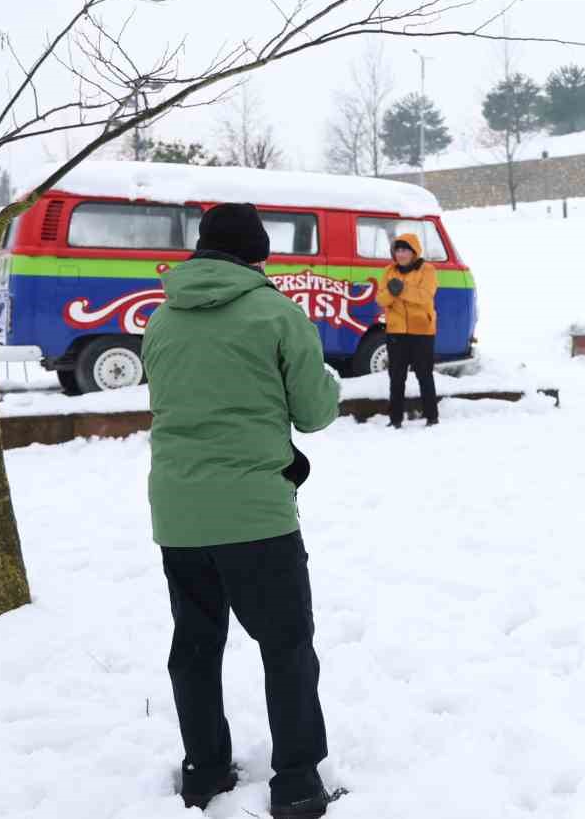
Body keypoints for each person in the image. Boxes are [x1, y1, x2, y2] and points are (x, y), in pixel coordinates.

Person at [142, 202, 342, 818]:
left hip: (178, 512)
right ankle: (298, 781)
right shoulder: (277, 314)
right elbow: (315, 411)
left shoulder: (162, 319)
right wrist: (324, 377)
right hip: (255, 515)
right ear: (259, 255)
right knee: (285, 644)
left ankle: (203, 772)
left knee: (196, 643)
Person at [376, 233, 440, 428]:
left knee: (424, 375)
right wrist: (392, 292)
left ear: (414, 252)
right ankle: (395, 419)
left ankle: (432, 416)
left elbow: (425, 295)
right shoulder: (388, 271)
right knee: (396, 377)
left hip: (422, 332)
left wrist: (400, 290)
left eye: (405, 250)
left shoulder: (427, 270)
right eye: (398, 250)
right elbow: (380, 299)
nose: (401, 254)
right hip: (396, 332)